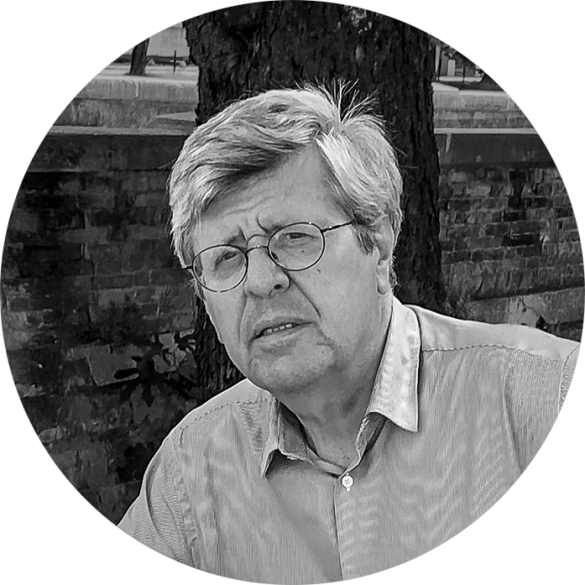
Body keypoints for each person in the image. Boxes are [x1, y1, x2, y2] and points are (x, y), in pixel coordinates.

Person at [117, 84, 580, 583]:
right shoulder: (191, 471)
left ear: (378, 245)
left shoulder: (540, 399)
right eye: (226, 257)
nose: (260, 281)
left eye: (294, 238)